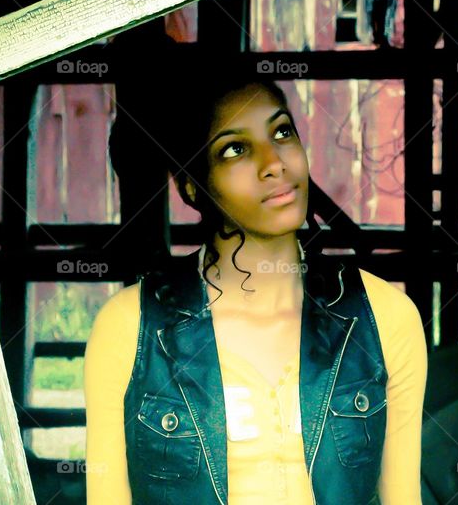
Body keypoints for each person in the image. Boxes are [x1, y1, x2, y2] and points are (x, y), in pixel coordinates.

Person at [84, 69, 428, 504]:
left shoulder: (383, 316)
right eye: (235, 149)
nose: (274, 164)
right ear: (192, 184)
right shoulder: (130, 326)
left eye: (282, 132)